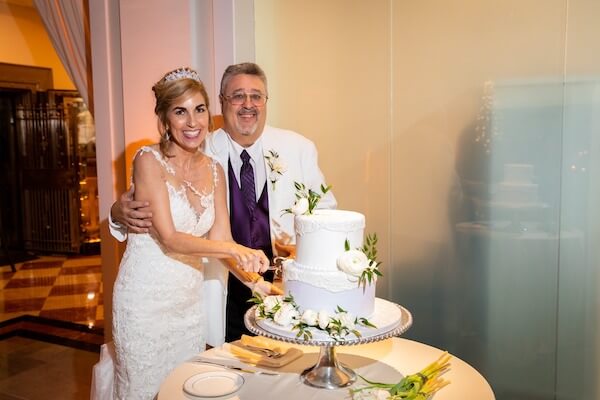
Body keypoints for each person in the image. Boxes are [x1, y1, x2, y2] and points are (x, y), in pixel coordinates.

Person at [110, 62, 336, 343]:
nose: (248, 104)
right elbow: (152, 211)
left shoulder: (298, 149)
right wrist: (116, 213)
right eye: (238, 96)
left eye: (256, 96)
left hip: (271, 285)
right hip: (211, 293)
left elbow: (326, 213)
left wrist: (271, 275)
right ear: (222, 103)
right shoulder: (194, 145)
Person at [111, 67, 269, 400]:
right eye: (180, 112)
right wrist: (237, 250)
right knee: (143, 391)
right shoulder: (148, 161)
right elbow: (169, 238)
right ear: (165, 118)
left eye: (199, 109)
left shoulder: (215, 170)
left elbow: (222, 241)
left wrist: (257, 284)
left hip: (189, 305)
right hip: (144, 303)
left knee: (184, 391)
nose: (193, 122)